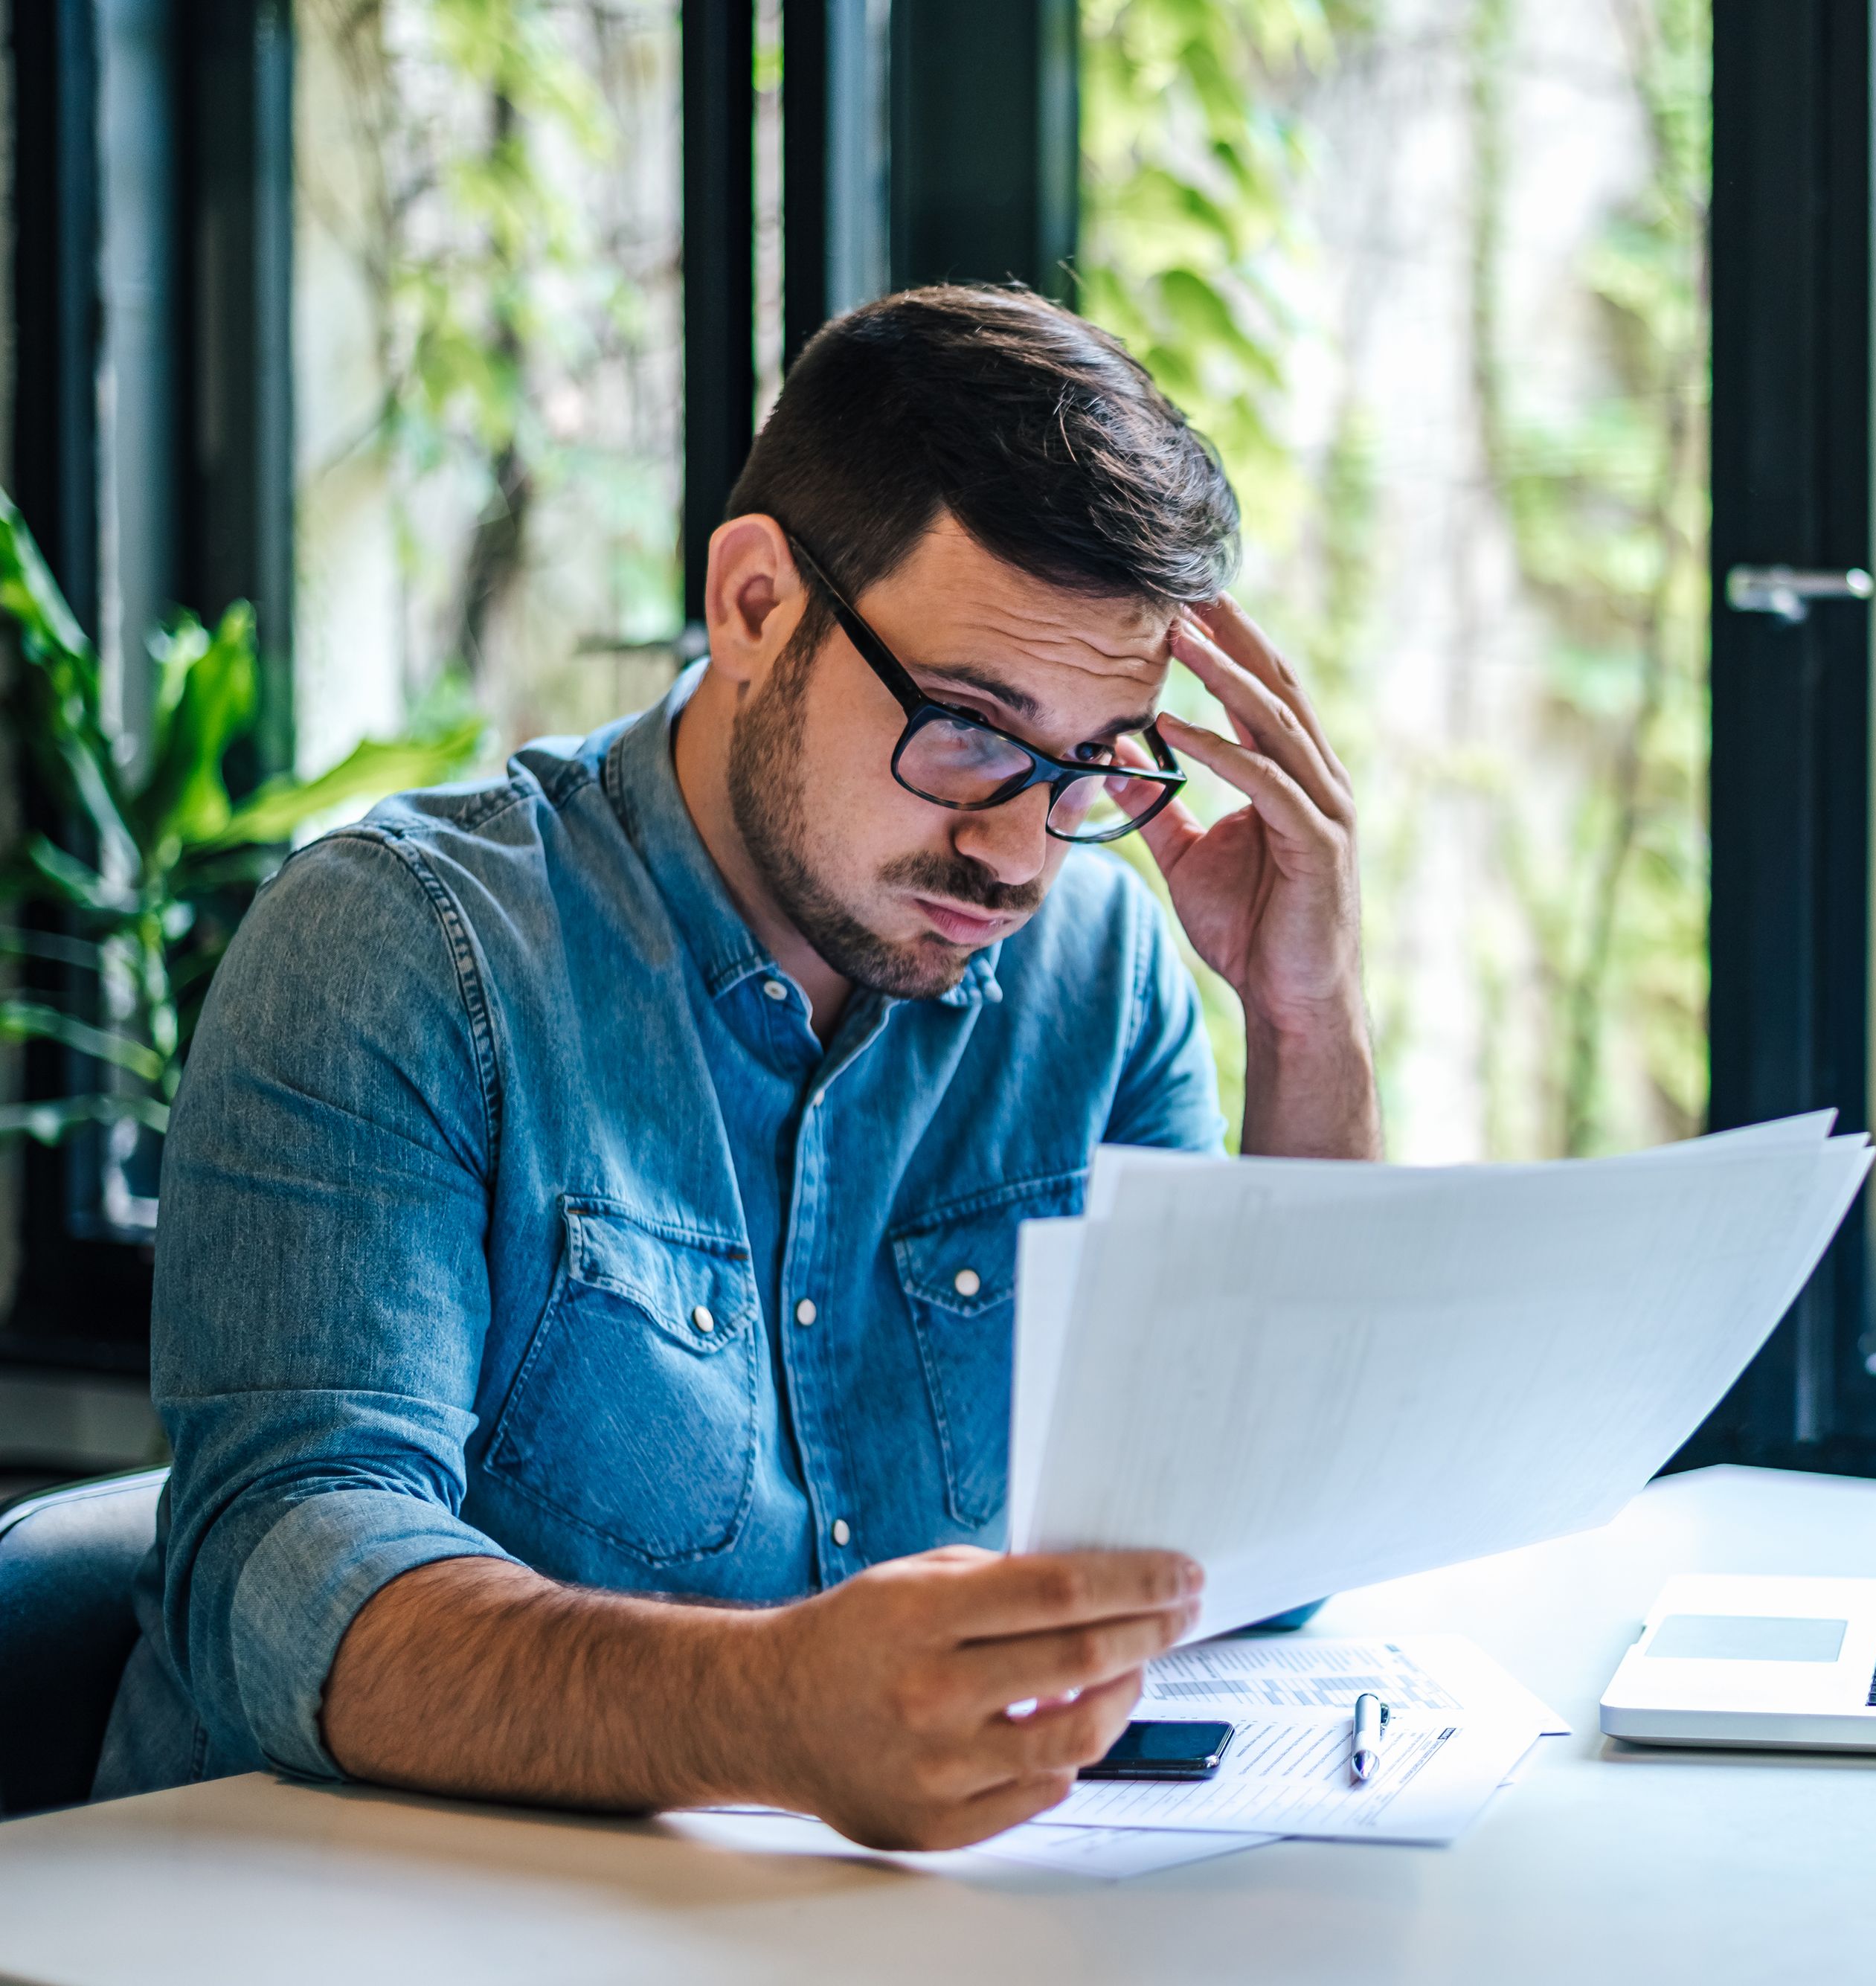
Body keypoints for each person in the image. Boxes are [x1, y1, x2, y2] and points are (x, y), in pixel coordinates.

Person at [92, 285, 1376, 1851]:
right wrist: (769, 1712)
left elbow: (1251, 1551)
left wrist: (1305, 1022)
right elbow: (281, 1569)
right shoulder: (403, 949)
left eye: (1092, 763)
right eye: (970, 729)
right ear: (756, 603)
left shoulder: (1095, 980)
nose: (1021, 852)